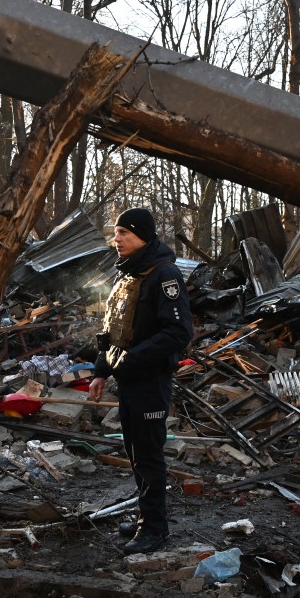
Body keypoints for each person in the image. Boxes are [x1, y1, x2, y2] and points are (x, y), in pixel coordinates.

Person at [89, 207, 194, 554]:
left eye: (123, 233)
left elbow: (179, 332)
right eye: (116, 233)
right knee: (135, 453)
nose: (115, 239)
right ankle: (145, 517)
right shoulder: (128, 274)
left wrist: (133, 359)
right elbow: (112, 332)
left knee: (148, 455)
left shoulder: (164, 276)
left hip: (150, 381)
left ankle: (155, 528)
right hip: (128, 379)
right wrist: (101, 371)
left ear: (143, 237)